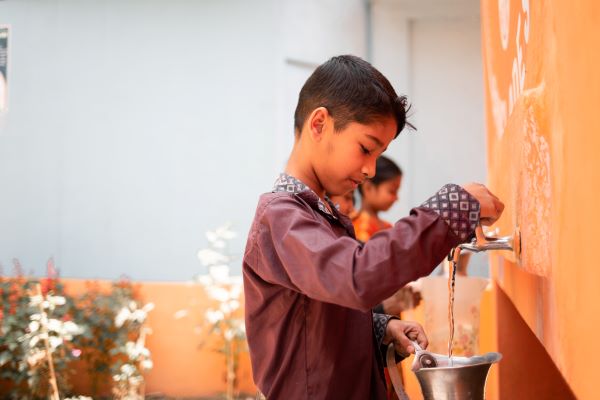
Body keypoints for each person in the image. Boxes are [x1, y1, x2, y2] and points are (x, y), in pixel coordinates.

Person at [242, 55, 504, 399]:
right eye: (365, 148)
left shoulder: (322, 215)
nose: (369, 170)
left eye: (377, 156)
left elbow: (315, 322)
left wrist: (380, 328)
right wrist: (452, 208)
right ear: (319, 124)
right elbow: (357, 278)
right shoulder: (280, 219)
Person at [352, 155, 403, 242]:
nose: (396, 198)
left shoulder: (388, 226)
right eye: (392, 191)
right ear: (368, 188)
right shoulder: (360, 227)